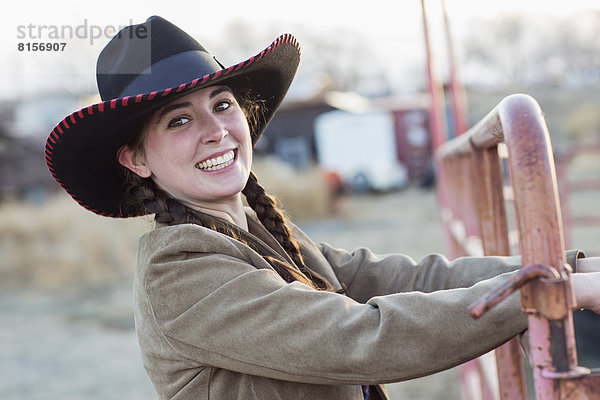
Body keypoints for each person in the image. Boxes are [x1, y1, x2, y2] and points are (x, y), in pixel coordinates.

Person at [45, 16, 600, 400]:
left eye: (223, 104)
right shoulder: (180, 275)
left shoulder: (261, 234)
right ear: (136, 159)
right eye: (180, 120)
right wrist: (546, 294)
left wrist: (567, 268)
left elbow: (399, 277)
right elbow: (362, 337)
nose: (217, 131)